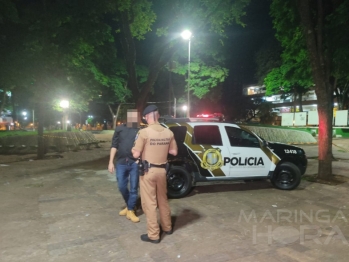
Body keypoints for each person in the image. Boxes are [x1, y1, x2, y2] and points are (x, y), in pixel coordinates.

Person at [132, 105, 178, 243]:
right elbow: (174, 152)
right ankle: (167, 227)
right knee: (163, 200)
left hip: (148, 172)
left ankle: (154, 235)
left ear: (147, 117)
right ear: (157, 116)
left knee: (150, 203)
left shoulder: (144, 133)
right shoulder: (168, 133)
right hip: (162, 171)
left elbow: (136, 153)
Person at [108, 109, 140, 223]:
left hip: (134, 163)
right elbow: (114, 145)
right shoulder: (119, 129)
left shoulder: (139, 130)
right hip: (121, 162)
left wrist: (139, 160)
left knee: (134, 188)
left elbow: (144, 146)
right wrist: (111, 162)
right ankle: (129, 205)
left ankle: (130, 210)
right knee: (122, 186)